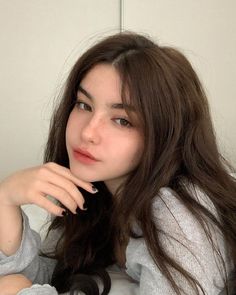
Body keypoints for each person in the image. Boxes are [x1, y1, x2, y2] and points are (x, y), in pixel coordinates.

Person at [0, 32, 235, 295]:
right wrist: (5, 199)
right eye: (83, 105)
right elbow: (50, 277)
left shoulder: (179, 211)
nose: (88, 132)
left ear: (165, 135)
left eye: (122, 120)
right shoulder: (96, 193)